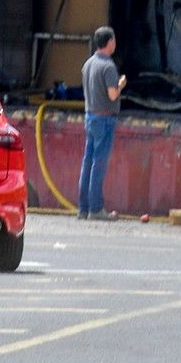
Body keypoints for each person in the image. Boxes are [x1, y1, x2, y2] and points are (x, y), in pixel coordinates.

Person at [78, 25, 126, 220]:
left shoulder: (88, 64)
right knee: (99, 164)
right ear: (109, 42)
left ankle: (83, 208)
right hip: (104, 119)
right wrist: (121, 84)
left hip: (90, 116)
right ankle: (96, 209)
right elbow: (112, 94)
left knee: (87, 163)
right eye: (113, 40)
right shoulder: (108, 66)